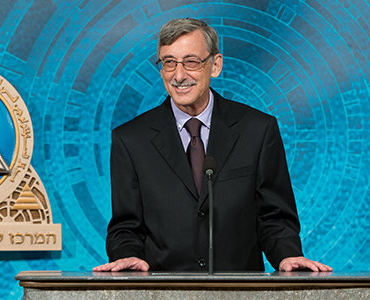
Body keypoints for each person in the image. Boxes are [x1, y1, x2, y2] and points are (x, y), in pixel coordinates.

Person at [94, 18, 331, 273]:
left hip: (241, 291)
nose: (179, 75)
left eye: (191, 62)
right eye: (169, 62)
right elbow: (125, 227)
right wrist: (127, 256)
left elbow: (275, 218)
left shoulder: (257, 130)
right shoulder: (131, 139)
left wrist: (288, 255)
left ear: (215, 65)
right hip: (162, 292)